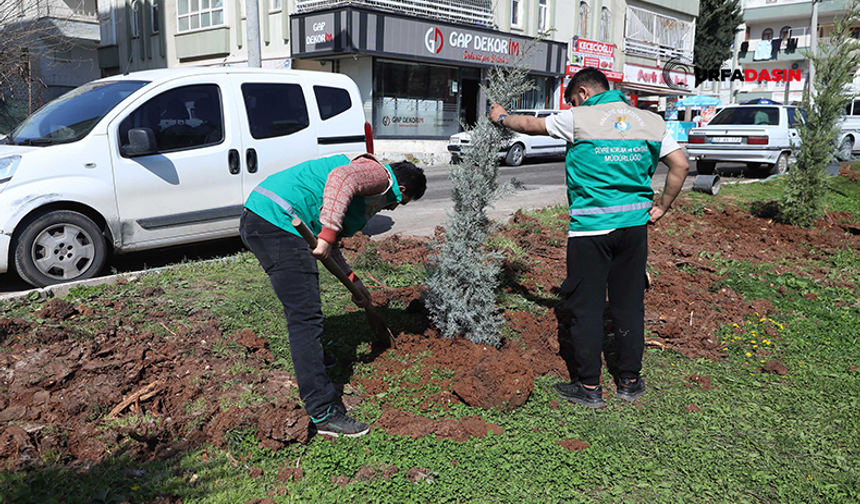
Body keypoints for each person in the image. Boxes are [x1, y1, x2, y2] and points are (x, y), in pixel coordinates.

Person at [489, 68, 689, 408]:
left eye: (571, 99)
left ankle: (589, 386)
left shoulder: (578, 118)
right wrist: (661, 208)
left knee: (586, 307)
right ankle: (629, 381)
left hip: (590, 231)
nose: (570, 104)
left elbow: (529, 126)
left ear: (582, 92)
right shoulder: (650, 121)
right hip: (634, 229)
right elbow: (680, 165)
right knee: (628, 305)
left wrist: (502, 116)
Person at [240, 153, 426, 435]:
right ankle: (323, 412)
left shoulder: (361, 192)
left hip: (263, 218)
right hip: (277, 221)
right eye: (400, 202)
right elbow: (342, 180)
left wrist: (354, 282)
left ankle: (312, 360)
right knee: (305, 317)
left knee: (303, 313)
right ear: (401, 188)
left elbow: (331, 245)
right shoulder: (377, 175)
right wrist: (327, 235)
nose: (394, 209)